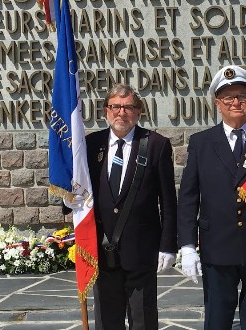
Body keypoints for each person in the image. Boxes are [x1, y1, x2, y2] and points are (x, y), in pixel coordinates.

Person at [177, 65, 246, 330]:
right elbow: (189, 197)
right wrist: (188, 245)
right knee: (217, 320)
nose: (236, 102)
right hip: (218, 246)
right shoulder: (202, 142)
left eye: (242, 96)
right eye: (229, 98)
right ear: (218, 104)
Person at [83, 83, 178, 330]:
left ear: (138, 112)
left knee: (143, 321)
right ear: (105, 111)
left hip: (141, 252)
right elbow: (80, 192)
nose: (121, 113)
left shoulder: (156, 145)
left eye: (128, 107)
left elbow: (167, 201)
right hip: (102, 251)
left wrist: (168, 246)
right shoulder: (91, 145)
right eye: (115, 106)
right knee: (107, 321)